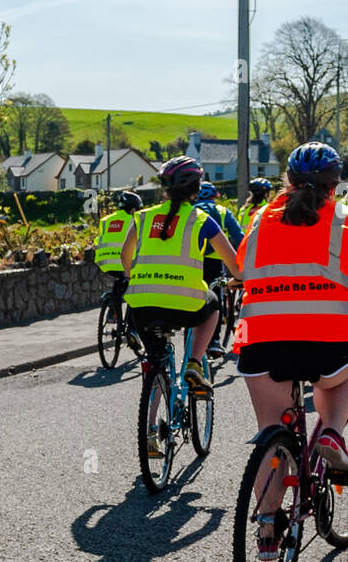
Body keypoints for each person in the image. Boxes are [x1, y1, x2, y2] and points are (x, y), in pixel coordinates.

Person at [232, 143, 348, 561]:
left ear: (288, 182)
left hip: (261, 339)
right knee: (336, 383)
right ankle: (331, 433)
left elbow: (245, 270)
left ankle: (267, 526)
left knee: (270, 429)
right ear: (337, 186)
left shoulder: (260, 219)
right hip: (326, 340)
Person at [120, 157, 242, 396]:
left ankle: (152, 425)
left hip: (141, 305)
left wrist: (132, 276)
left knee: (155, 365)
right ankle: (194, 363)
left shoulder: (143, 217)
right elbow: (234, 263)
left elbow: (125, 255)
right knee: (214, 303)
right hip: (186, 304)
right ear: (197, 188)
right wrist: (239, 278)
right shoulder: (202, 220)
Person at [193, 180, 244, 357]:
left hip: (193, 261)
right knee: (216, 298)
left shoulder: (189, 212)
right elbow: (239, 237)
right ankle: (214, 340)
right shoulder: (222, 212)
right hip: (216, 261)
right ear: (215, 196)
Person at [94, 190, 144, 351]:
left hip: (105, 262)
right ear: (133, 209)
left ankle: (113, 310)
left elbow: (98, 240)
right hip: (124, 261)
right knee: (134, 291)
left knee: (119, 282)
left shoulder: (106, 220)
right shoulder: (135, 220)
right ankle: (132, 330)